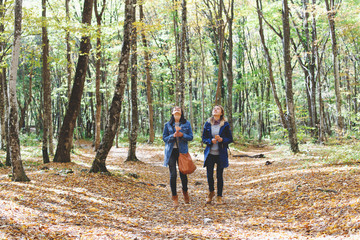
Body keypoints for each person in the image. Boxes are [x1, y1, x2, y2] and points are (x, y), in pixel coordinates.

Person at [163, 106, 193, 208]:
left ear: (181, 113)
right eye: (175, 109)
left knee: (183, 174)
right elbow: (164, 138)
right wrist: (173, 136)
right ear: (172, 113)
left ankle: (185, 192)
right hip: (171, 152)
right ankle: (174, 197)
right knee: (173, 174)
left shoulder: (186, 123)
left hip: (182, 151)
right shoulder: (167, 125)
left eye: (179, 109)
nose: (177, 110)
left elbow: (191, 137)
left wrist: (182, 135)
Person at [202, 105, 233, 205]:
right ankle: (211, 192)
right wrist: (210, 141)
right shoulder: (207, 124)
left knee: (219, 176)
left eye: (217, 109)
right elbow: (203, 139)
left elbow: (230, 138)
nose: (215, 110)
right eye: (214, 109)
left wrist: (222, 140)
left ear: (221, 112)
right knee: (209, 175)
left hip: (221, 153)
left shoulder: (225, 124)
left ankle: (219, 196)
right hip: (210, 153)